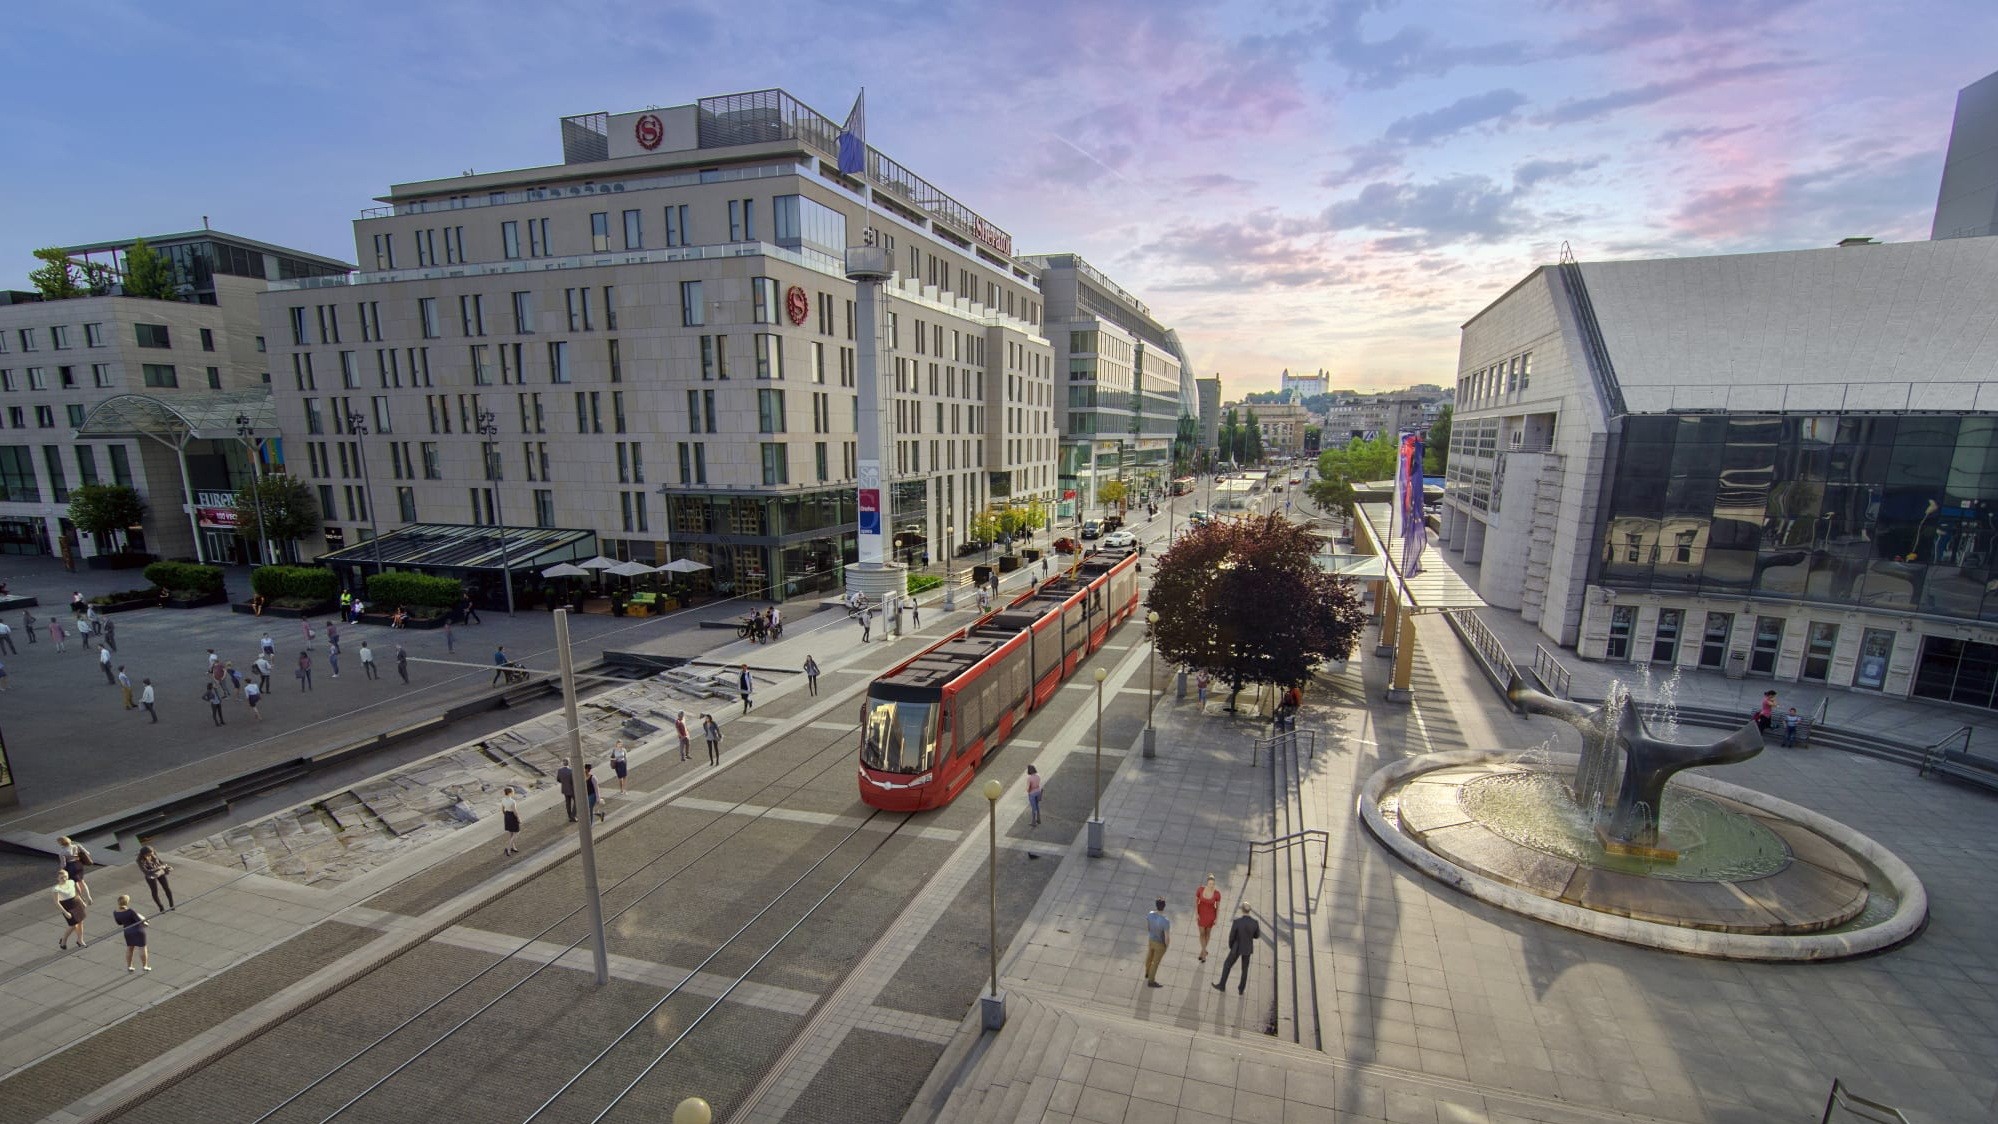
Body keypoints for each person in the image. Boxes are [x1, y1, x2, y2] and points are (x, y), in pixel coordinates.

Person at [1213, 903, 1261, 995]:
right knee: (1245, 970)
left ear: (1242, 910)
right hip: (1247, 948)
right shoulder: (1255, 922)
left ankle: (1222, 985)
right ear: (1249, 911)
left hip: (1237, 947)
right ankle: (1241, 989)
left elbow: (1231, 936)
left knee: (1227, 965)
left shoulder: (1237, 922)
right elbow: (1257, 935)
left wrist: (1231, 946)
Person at [114, 894, 151, 972]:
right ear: (126, 902)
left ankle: (129, 966)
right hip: (138, 930)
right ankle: (145, 966)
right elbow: (139, 921)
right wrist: (146, 923)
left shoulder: (115, 912)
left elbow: (119, 923)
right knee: (142, 947)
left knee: (130, 948)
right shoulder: (130, 911)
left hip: (127, 931)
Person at [55, 870, 87, 950]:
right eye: (61, 877)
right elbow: (57, 902)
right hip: (67, 906)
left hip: (76, 903)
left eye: (65, 876)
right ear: (58, 878)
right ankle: (63, 940)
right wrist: (65, 912)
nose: (64, 879)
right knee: (73, 925)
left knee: (80, 921)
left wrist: (82, 902)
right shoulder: (56, 888)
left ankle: (80, 940)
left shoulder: (71, 882)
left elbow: (76, 893)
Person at [136, 845, 174, 911]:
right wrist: (158, 868)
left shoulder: (153, 853)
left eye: (152, 852)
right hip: (151, 876)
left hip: (160, 872)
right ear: (145, 854)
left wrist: (165, 866)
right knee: (154, 892)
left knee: (167, 888)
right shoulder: (140, 860)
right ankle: (161, 907)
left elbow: (160, 861)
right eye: (150, 853)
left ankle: (172, 905)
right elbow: (146, 872)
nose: (152, 854)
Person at [1144, 898, 1171, 988]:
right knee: (1155, 962)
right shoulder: (1165, 921)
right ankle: (1151, 981)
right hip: (1160, 944)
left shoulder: (1150, 914)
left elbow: (1148, 927)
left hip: (1151, 940)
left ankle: (1147, 973)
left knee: (1149, 957)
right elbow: (1166, 937)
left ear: (1156, 905)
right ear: (1164, 906)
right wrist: (1166, 946)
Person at [1195, 875, 1223, 963]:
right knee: (1202, 934)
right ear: (1207, 883)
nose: (1211, 885)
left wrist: (1216, 918)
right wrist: (1196, 913)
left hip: (1211, 915)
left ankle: (1202, 953)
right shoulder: (1200, 889)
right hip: (1201, 914)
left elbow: (1217, 907)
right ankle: (1204, 952)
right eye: (1210, 883)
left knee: (1207, 933)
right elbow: (1196, 902)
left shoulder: (1217, 894)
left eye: (1213, 884)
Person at [58, 835, 94, 904]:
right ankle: (89, 897)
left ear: (61, 843)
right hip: (79, 865)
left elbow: (64, 864)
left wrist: (61, 870)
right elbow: (88, 853)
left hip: (70, 867)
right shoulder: (77, 846)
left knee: (75, 884)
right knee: (82, 882)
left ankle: (82, 898)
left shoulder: (62, 852)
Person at [499, 786, 522, 855]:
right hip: (512, 816)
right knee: (517, 832)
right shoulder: (512, 801)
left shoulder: (503, 799)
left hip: (507, 815)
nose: (514, 792)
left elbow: (502, 809)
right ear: (510, 793)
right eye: (513, 791)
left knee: (511, 833)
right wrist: (518, 818)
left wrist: (506, 815)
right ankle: (508, 848)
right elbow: (515, 811)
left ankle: (513, 847)